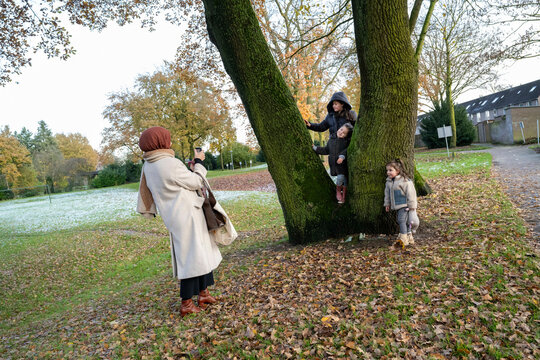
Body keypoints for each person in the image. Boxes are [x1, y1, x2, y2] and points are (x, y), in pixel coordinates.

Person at [136, 126, 237, 317]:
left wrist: (190, 170)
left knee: (199, 253)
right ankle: (187, 303)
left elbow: (178, 182)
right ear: (159, 141)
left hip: (177, 215)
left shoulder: (149, 164)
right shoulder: (167, 163)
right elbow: (195, 182)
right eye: (167, 138)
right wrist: (198, 163)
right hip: (187, 215)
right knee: (191, 258)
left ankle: (203, 293)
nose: (170, 141)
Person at [305, 91, 357, 202]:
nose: (334, 106)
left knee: (347, 174)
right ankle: (340, 193)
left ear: (343, 103)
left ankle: (345, 194)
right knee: (339, 173)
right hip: (334, 148)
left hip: (348, 148)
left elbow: (357, 130)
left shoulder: (351, 114)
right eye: (333, 104)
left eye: (336, 104)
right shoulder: (330, 116)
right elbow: (321, 126)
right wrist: (310, 125)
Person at [312, 123, 354, 203]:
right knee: (341, 179)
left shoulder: (346, 142)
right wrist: (315, 148)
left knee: (343, 179)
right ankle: (340, 192)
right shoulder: (331, 139)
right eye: (341, 129)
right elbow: (326, 150)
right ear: (339, 128)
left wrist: (342, 156)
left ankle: (342, 194)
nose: (341, 132)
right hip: (334, 164)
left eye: (344, 133)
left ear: (346, 136)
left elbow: (347, 150)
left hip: (343, 165)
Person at [384, 159, 418, 248]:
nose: (388, 172)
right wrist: (387, 204)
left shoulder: (404, 181)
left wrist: (412, 206)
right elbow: (387, 194)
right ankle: (409, 236)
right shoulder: (388, 182)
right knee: (406, 222)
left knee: (401, 220)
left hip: (405, 205)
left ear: (398, 171)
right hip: (397, 206)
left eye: (390, 170)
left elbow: (411, 194)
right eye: (387, 170)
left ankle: (403, 238)